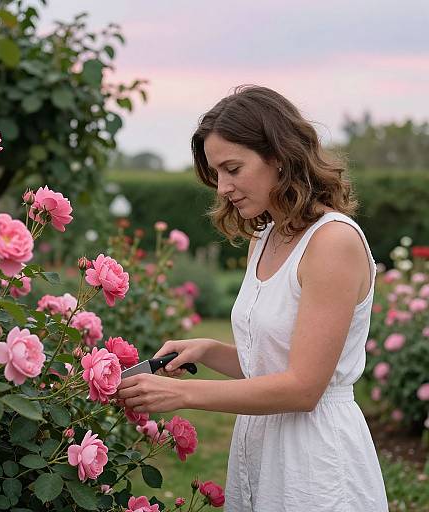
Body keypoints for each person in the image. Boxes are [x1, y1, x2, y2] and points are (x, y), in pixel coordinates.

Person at [116, 85, 389, 511]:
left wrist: (182, 394)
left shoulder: (332, 242)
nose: (222, 187)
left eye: (233, 168)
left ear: (279, 157)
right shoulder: (265, 238)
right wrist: (208, 351)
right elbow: (274, 361)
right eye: (216, 173)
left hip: (314, 460)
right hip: (262, 445)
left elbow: (303, 388)